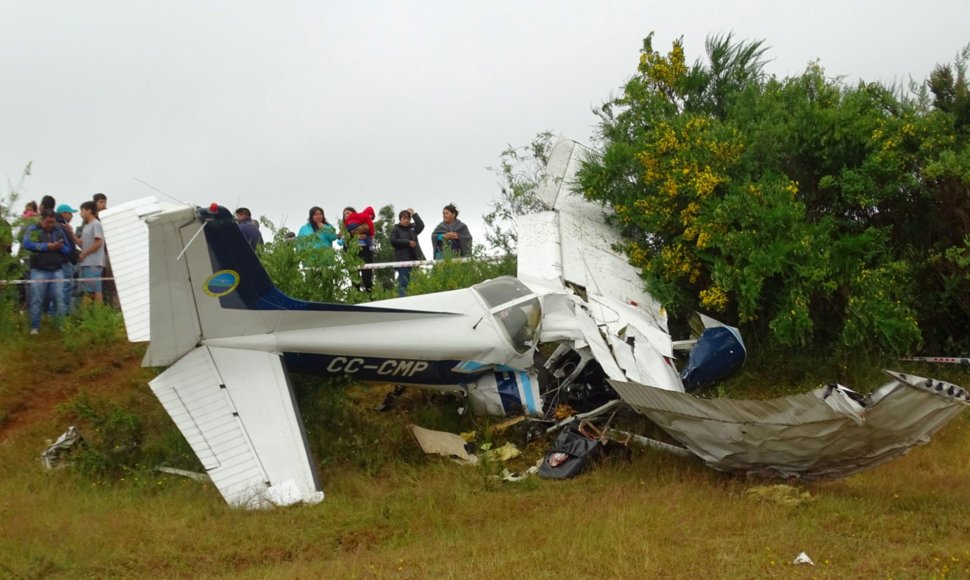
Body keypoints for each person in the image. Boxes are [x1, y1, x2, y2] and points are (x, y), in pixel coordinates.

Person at [22, 209, 71, 334]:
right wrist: (46, 246)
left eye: (52, 222)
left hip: (57, 269)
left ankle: (60, 326)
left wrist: (60, 247)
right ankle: (35, 327)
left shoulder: (59, 230)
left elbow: (68, 250)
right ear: (41, 219)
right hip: (39, 270)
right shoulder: (33, 230)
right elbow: (27, 244)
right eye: (48, 222)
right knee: (37, 299)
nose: (50, 225)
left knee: (59, 298)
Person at [389, 208, 425, 297]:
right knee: (403, 282)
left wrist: (414, 214)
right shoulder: (396, 229)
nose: (406, 221)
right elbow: (393, 241)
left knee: (416, 282)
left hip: (415, 259)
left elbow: (421, 226)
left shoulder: (413, 227)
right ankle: (402, 300)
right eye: (404, 219)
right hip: (402, 261)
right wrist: (407, 242)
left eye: (408, 219)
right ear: (400, 219)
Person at [54, 203, 81, 312]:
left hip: (65, 261)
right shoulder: (61, 226)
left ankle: (63, 312)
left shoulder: (62, 225)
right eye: (70, 213)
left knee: (66, 287)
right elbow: (64, 245)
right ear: (63, 213)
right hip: (65, 261)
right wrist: (70, 254)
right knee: (66, 287)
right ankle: (63, 313)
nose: (72, 216)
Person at [77, 201, 105, 304]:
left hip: (94, 263)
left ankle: (98, 313)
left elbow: (98, 243)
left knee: (96, 290)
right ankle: (89, 312)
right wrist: (71, 233)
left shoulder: (96, 224)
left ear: (89, 210)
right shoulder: (86, 226)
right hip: (86, 263)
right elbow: (81, 243)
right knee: (88, 290)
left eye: (82, 210)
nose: (81, 213)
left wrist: (84, 253)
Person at [342, 206, 376, 292]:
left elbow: (371, 234)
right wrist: (356, 235)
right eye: (344, 214)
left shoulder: (363, 222)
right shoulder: (344, 227)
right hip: (351, 253)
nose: (346, 215)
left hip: (365, 252)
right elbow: (342, 238)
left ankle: (372, 300)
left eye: (348, 213)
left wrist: (362, 234)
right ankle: (356, 301)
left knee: (367, 279)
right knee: (354, 281)